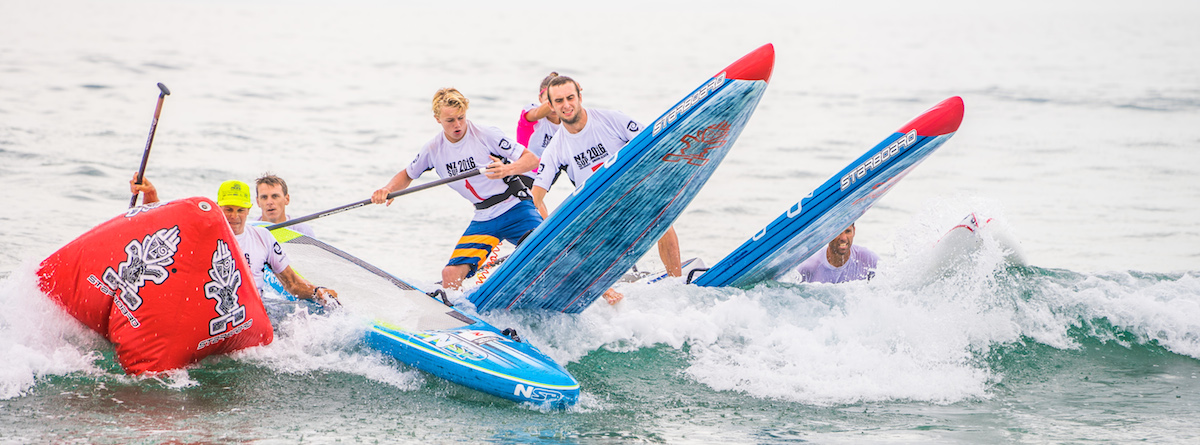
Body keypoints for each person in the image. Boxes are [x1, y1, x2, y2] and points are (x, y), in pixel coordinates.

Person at [531, 75, 683, 304]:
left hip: (634, 194)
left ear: (580, 96)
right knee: (578, 242)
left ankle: (677, 285)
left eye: (570, 98)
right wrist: (539, 231)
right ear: (551, 106)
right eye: (559, 101)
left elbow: (653, 143)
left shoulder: (612, 119)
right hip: (599, 212)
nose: (566, 105)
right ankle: (607, 293)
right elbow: (536, 196)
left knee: (661, 216)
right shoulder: (555, 149)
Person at [371, 88, 541, 290]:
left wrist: (507, 169)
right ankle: (459, 314)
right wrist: (387, 189)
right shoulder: (433, 149)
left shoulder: (486, 134)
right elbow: (407, 174)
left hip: (516, 207)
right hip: (484, 217)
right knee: (450, 273)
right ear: (437, 119)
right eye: (450, 120)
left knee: (544, 248)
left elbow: (531, 159)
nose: (458, 125)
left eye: (461, 118)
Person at [129, 175, 339, 306]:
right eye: (228, 209)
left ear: (249, 209)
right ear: (217, 208)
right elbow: (164, 224)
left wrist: (316, 292)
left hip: (255, 309)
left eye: (240, 210)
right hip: (213, 307)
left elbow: (292, 284)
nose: (234, 216)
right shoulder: (202, 232)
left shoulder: (262, 236)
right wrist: (150, 196)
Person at [796, 223, 879, 284]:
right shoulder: (809, 267)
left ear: (854, 231)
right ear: (827, 234)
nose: (843, 238)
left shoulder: (868, 259)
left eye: (848, 231)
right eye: (838, 232)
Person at [251, 173, 316, 237]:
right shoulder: (249, 230)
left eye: (275, 196)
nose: (269, 202)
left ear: (287, 199)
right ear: (258, 202)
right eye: (264, 197)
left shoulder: (303, 231)